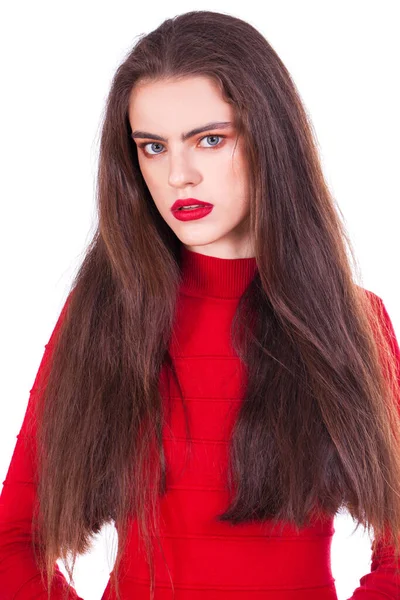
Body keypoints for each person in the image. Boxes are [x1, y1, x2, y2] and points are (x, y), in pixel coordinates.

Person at [1, 9, 400, 600]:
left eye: (210, 140)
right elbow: (14, 538)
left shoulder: (353, 321)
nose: (178, 175)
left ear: (270, 139)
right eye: (153, 148)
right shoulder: (102, 315)